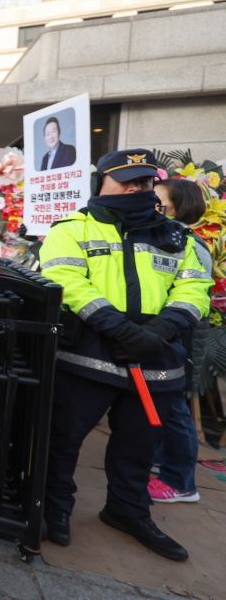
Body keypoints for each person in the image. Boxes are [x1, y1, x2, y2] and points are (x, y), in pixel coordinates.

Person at [39, 148, 212, 561]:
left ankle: (127, 511)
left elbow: (194, 288)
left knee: (138, 447)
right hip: (88, 356)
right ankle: (54, 509)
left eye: (145, 181)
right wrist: (116, 326)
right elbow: (64, 279)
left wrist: (159, 331)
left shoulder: (179, 237)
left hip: (155, 360)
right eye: (127, 181)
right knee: (63, 440)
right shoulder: (72, 228)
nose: (137, 188)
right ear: (104, 181)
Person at [148, 177, 210, 504]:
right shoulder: (167, 236)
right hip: (170, 334)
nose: (150, 203)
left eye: (158, 199)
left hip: (180, 336)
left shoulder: (190, 244)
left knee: (174, 407)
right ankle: (162, 461)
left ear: (178, 206)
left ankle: (181, 482)